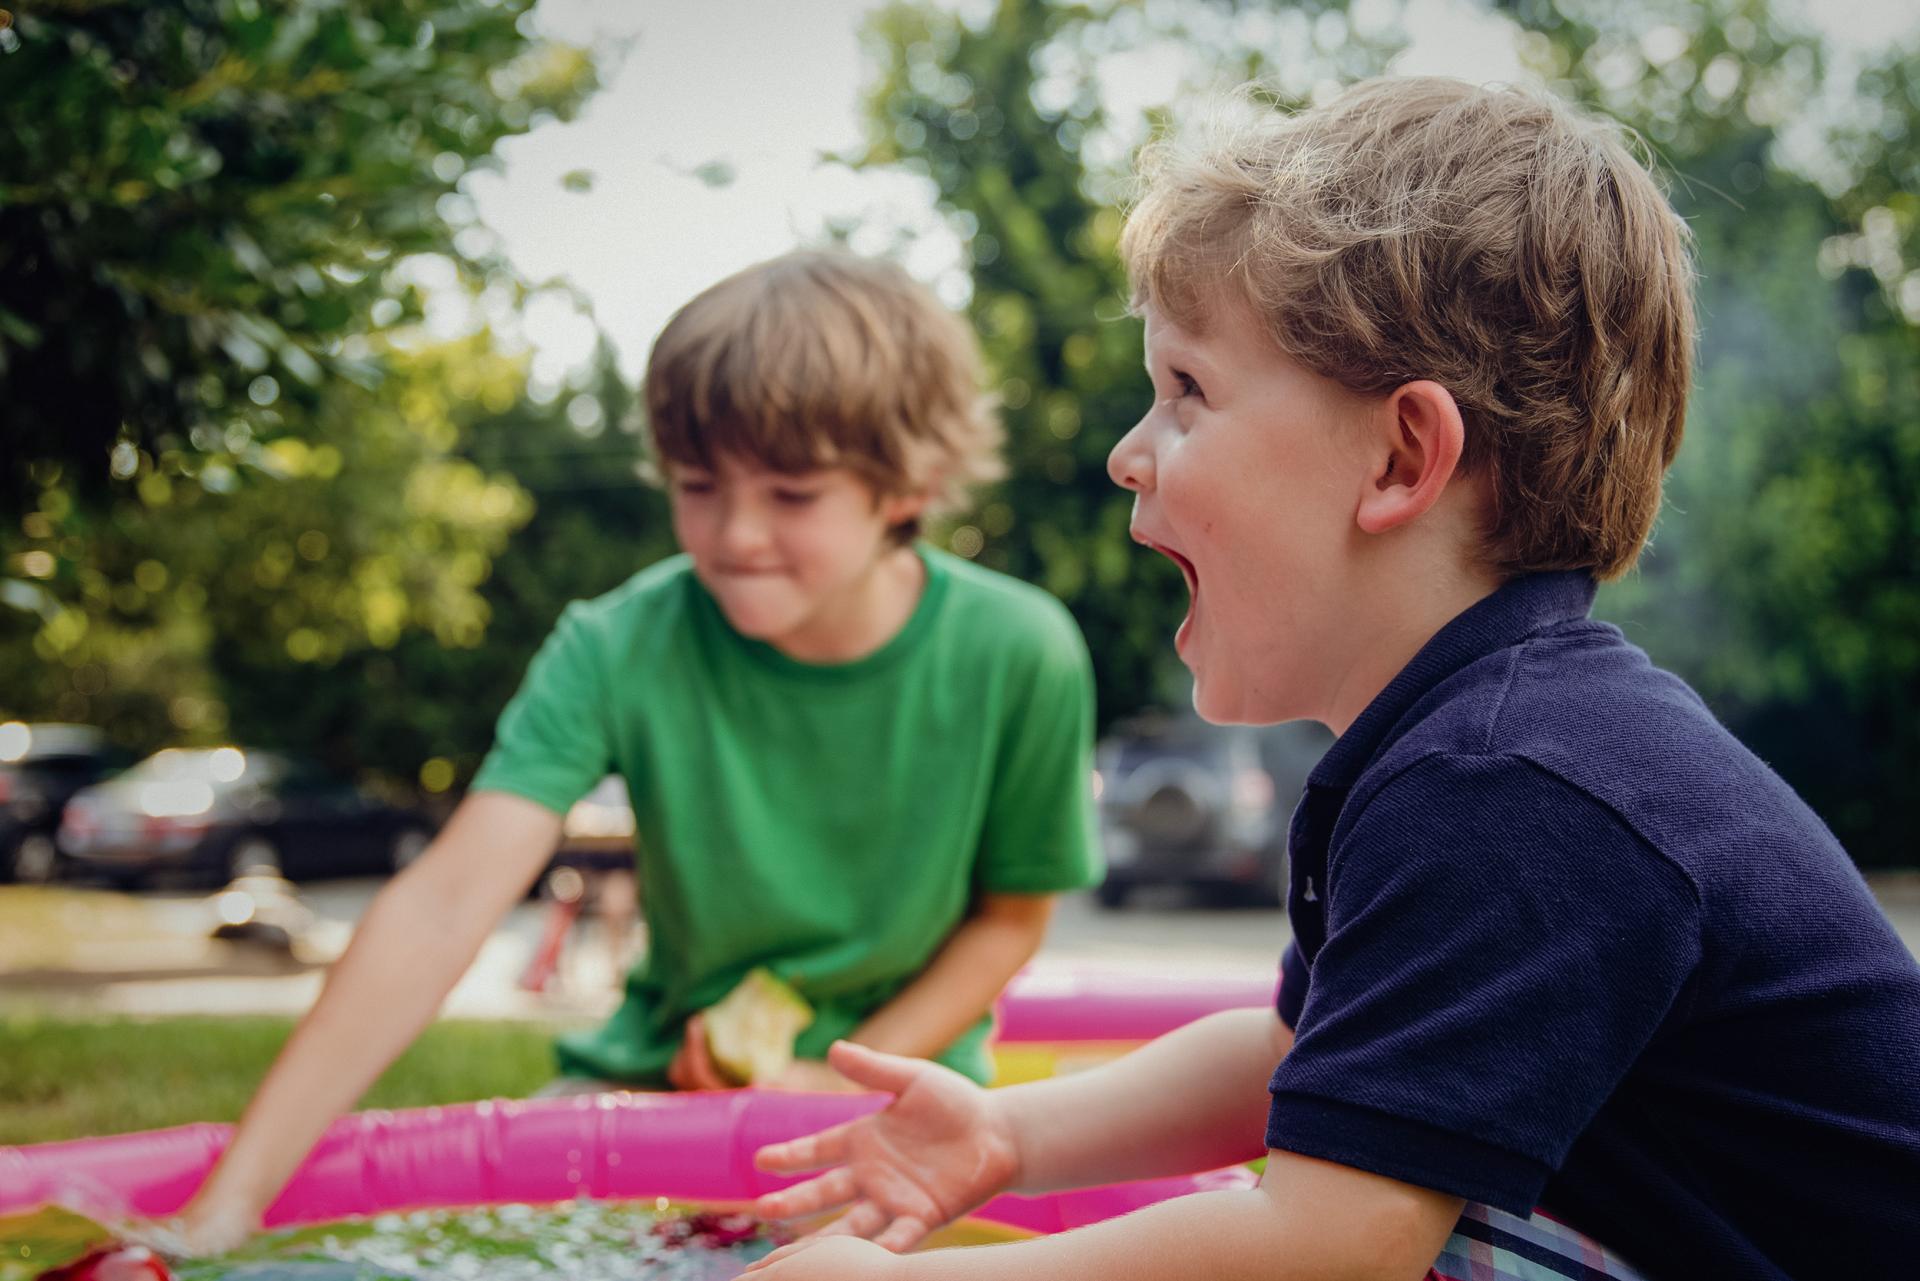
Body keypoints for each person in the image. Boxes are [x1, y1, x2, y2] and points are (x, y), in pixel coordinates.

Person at [738, 78, 1920, 1281]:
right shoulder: (1470, 745)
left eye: (1189, 391)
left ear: (1403, 455)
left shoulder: (1516, 785)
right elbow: (1291, 1054)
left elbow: (1330, 1245)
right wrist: (1007, 1133)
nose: (1126, 453)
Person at [170, 251, 1104, 1249]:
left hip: (905, 1101)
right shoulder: (616, 643)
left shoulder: (1021, 652)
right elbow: (445, 903)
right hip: (649, 1085)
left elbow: (1009, 921)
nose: (736, 534)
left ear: (907, 485)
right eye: (698, 486)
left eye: (792, 494)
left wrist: (838, 1073)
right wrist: (230, 1201)